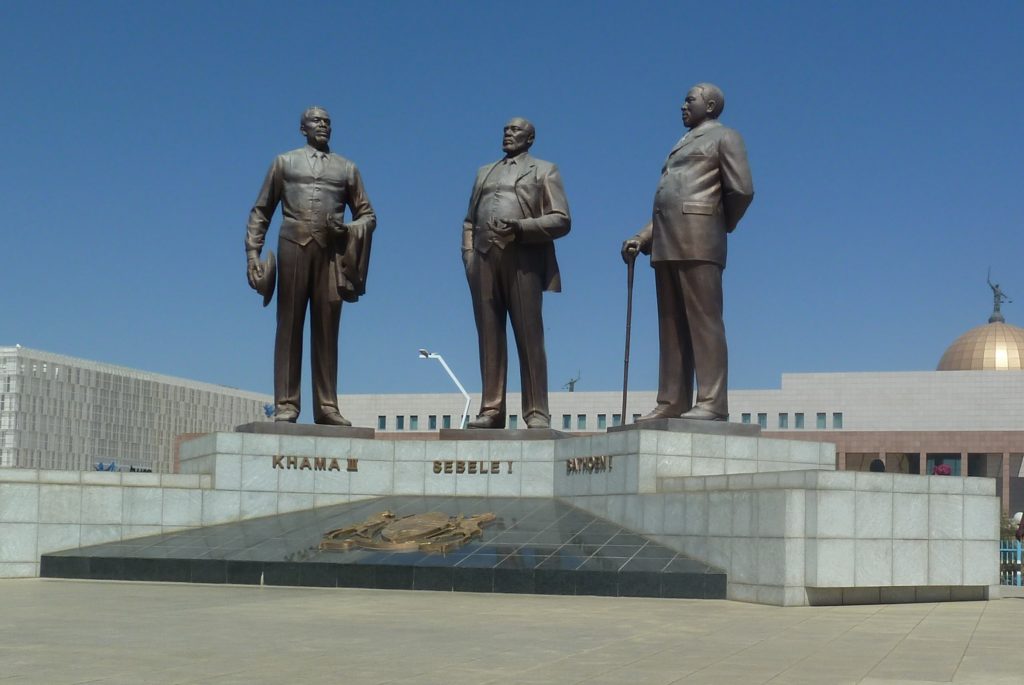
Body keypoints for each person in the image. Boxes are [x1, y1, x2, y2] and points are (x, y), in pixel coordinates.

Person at [622, 83, 753, 421]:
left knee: (704, 321)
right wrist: (642, 236)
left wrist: (715, 222)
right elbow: (669, 202)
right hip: (666, 242)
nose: (682, 105)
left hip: (700, 239)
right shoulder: (681, 143)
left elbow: (741, 190)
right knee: (671, 325)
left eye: (689, 99)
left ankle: (711, 401)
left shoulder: (726, 137)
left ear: (710, 106)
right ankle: (672, 401)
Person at [245, 107, 376, 425]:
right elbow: (261, 211)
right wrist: (253, 255)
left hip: (331, 257)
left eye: (328, 122)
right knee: (289, 326)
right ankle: (287, 404)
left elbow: (367, 215)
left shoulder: (347, 168)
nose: (324, 126)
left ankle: (327, 405)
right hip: (293, 248)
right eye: (317, 121)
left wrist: (348, 230)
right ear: (302, 128)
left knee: (327, 330)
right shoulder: (284, 162)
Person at [462, 118, 571, 429]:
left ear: (530, 138)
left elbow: (561, 219)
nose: (508, 133)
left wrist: (522, 228)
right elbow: (469, 220)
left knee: (529, 335)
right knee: (489, 336)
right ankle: (492, 408)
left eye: (515, 130)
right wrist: (468, 256)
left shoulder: (544, 170)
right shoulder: (485, 172)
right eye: (506, 129)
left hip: (523, 259)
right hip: (483, 259)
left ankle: (536, 410)